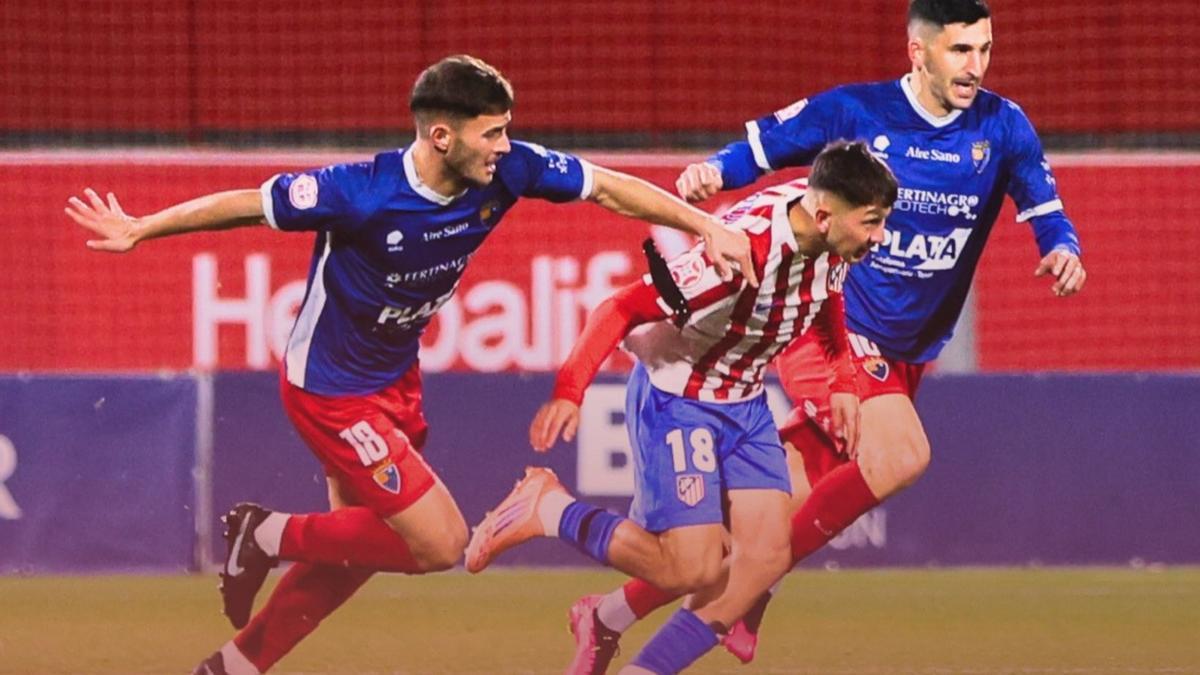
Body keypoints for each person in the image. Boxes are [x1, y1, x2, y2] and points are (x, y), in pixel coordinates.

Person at [65, 55, 759, 675]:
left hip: (397, 377)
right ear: (441, 137)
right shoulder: (360, 191)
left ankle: (235, 664)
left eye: (506, 130)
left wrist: (706, 226)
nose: (505, 146)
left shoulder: (509, 169)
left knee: (358, 548)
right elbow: (247, 204)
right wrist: (142, 228)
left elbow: (607, 187)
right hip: (331, 389)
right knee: (438, 541)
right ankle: (264, 531)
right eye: (492, 133)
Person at [565, 1, 1090, 670]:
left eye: (984, 49)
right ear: (918, 51)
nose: (975, 66)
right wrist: (713, 172)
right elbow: (766, 143)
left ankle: (603, 616)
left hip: (911, 349)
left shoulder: (1002, 125)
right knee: (900, 456)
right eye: (961, 51)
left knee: (751, 529)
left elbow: (1041, 201)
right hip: (834, 324)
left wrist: (1063, 245)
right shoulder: (857, 112)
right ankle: (753, 594)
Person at [465, 141, 897, 674]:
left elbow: (827, 295)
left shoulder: (827, 230)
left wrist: (843, 379)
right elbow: (618, 306)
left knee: (763, 559)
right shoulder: (742, 254)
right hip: (681, 399)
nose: (879, 237)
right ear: (826, 214)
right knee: (688, 568)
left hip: (746, 402)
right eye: (872, 223)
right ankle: (548, 508)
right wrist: (570, 389)